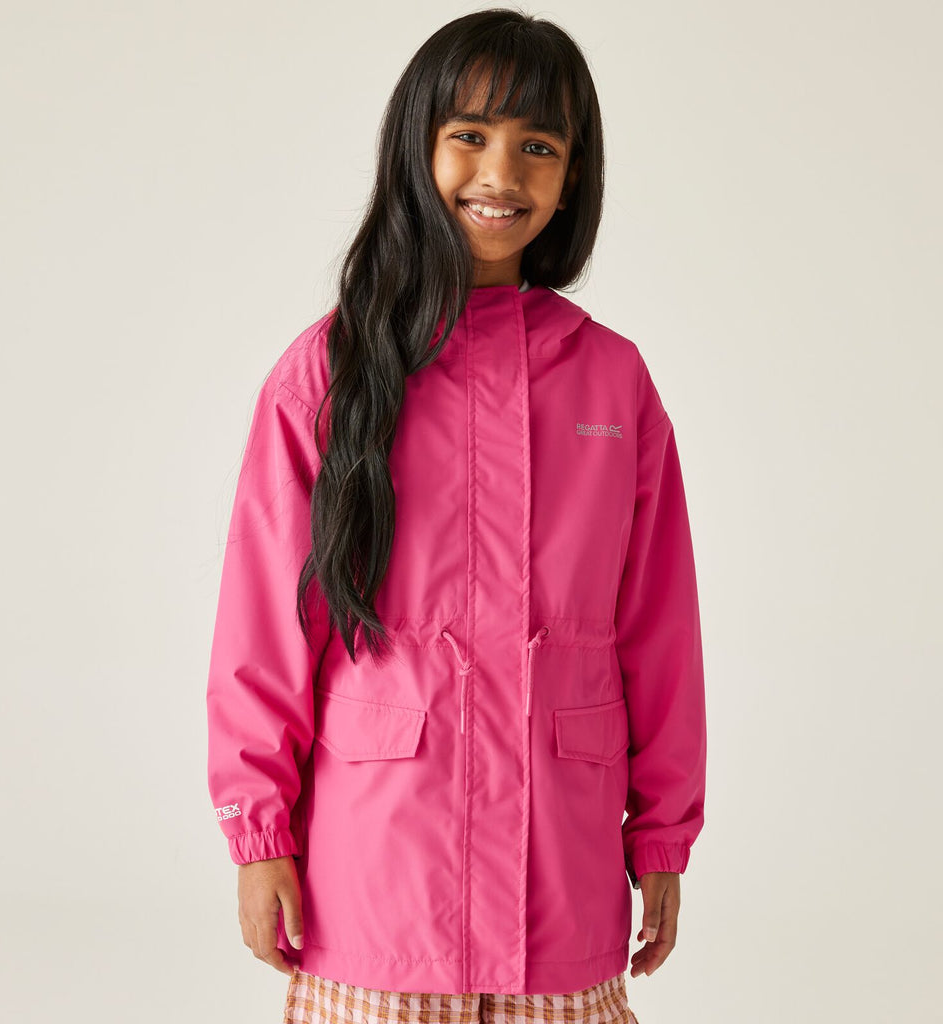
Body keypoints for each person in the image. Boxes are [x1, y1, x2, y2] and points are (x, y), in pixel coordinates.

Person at [205, 8, 707, 1024]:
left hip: (559, 879)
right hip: (380, 874)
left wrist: (662, 835)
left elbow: (659, 625)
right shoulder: (333, 372)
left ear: (573, 175)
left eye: (538, 146)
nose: (501, 173)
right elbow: (266, 622)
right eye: (469, 135)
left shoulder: (610, 380)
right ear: (417, 146)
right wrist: (258, 835)